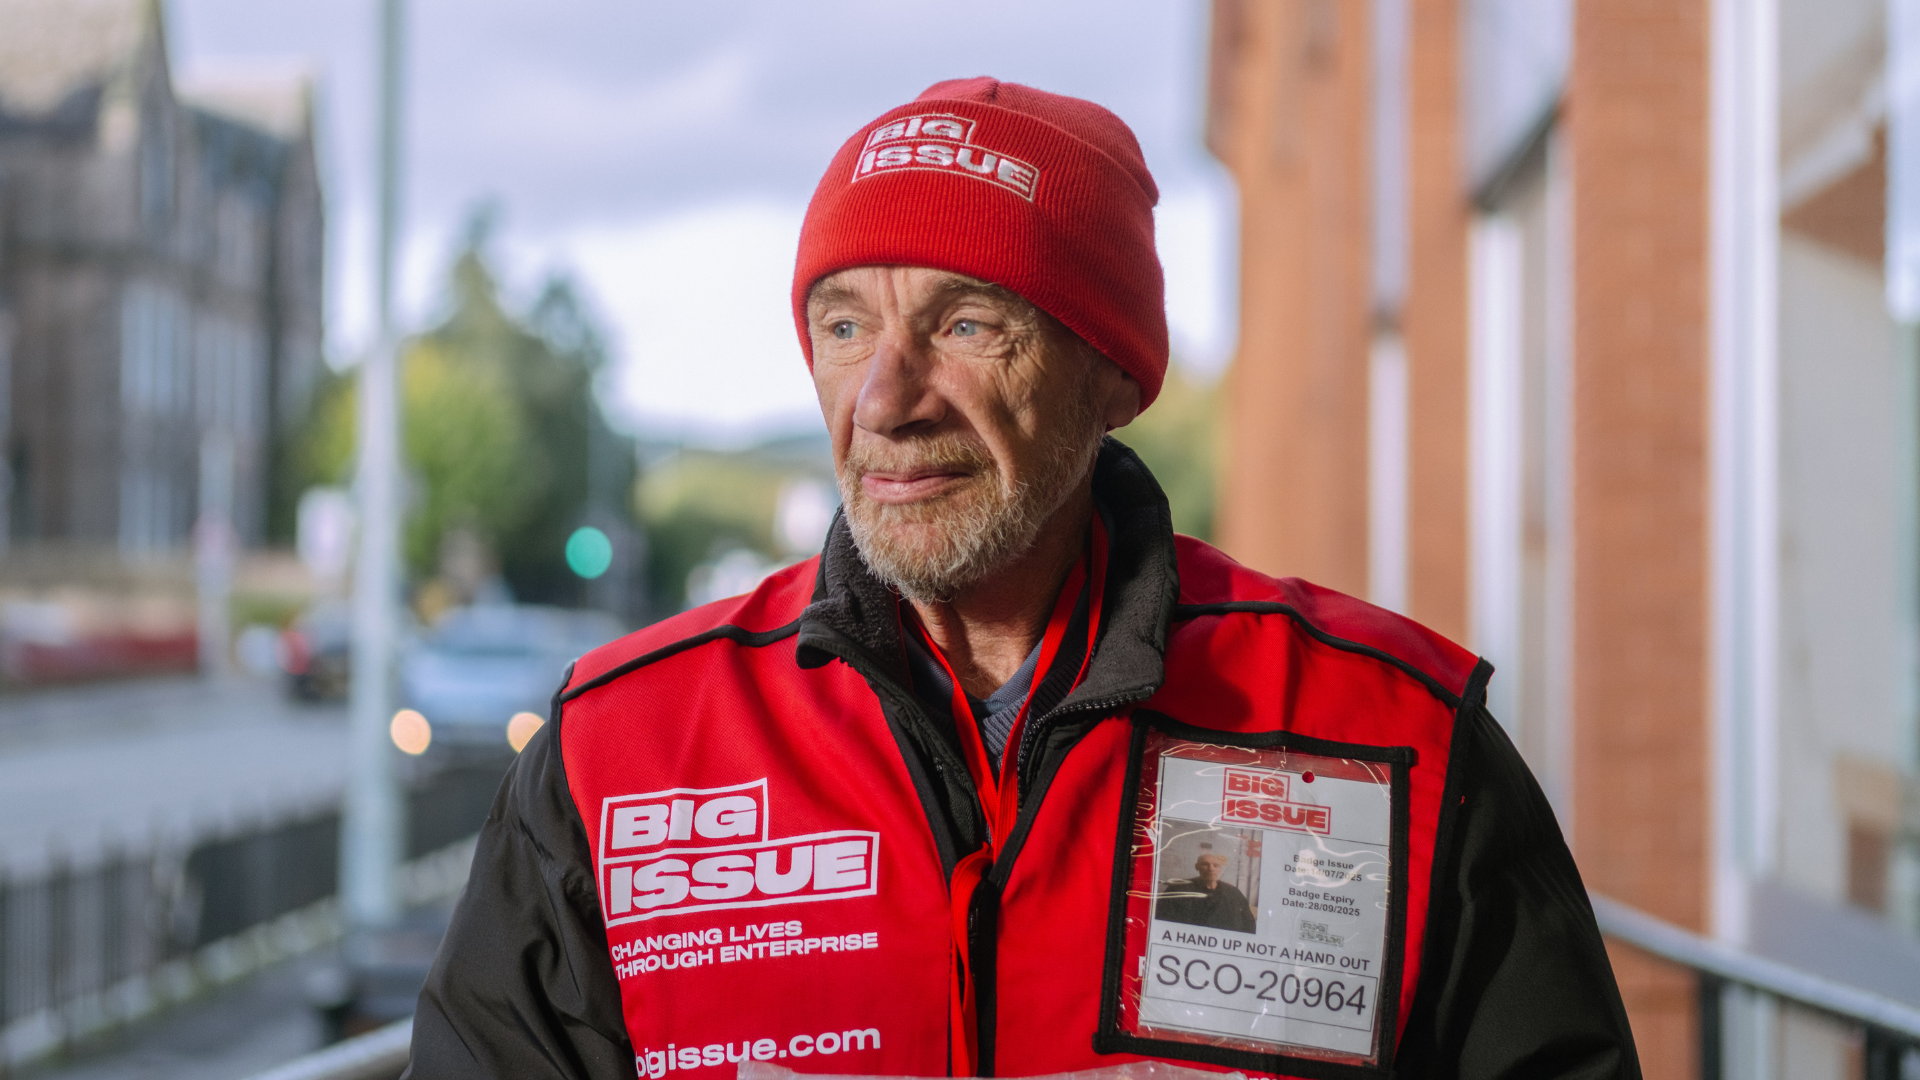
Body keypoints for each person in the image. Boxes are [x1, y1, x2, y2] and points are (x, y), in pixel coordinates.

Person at [406, 78, 1640, 1079]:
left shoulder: (1391, 731)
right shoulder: (618, 753)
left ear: (1113, 371)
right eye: (844, 326)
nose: (886, 401)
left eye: (966, 324)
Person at [1156, 852, 1256, 934]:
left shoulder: (1234, 893)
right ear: (1197, 867)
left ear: (1219, 869)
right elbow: (1161, 919)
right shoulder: (1178, 888)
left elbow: (1249, 924)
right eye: (1205, 864)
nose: (1211, 869)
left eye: (1215, 865)